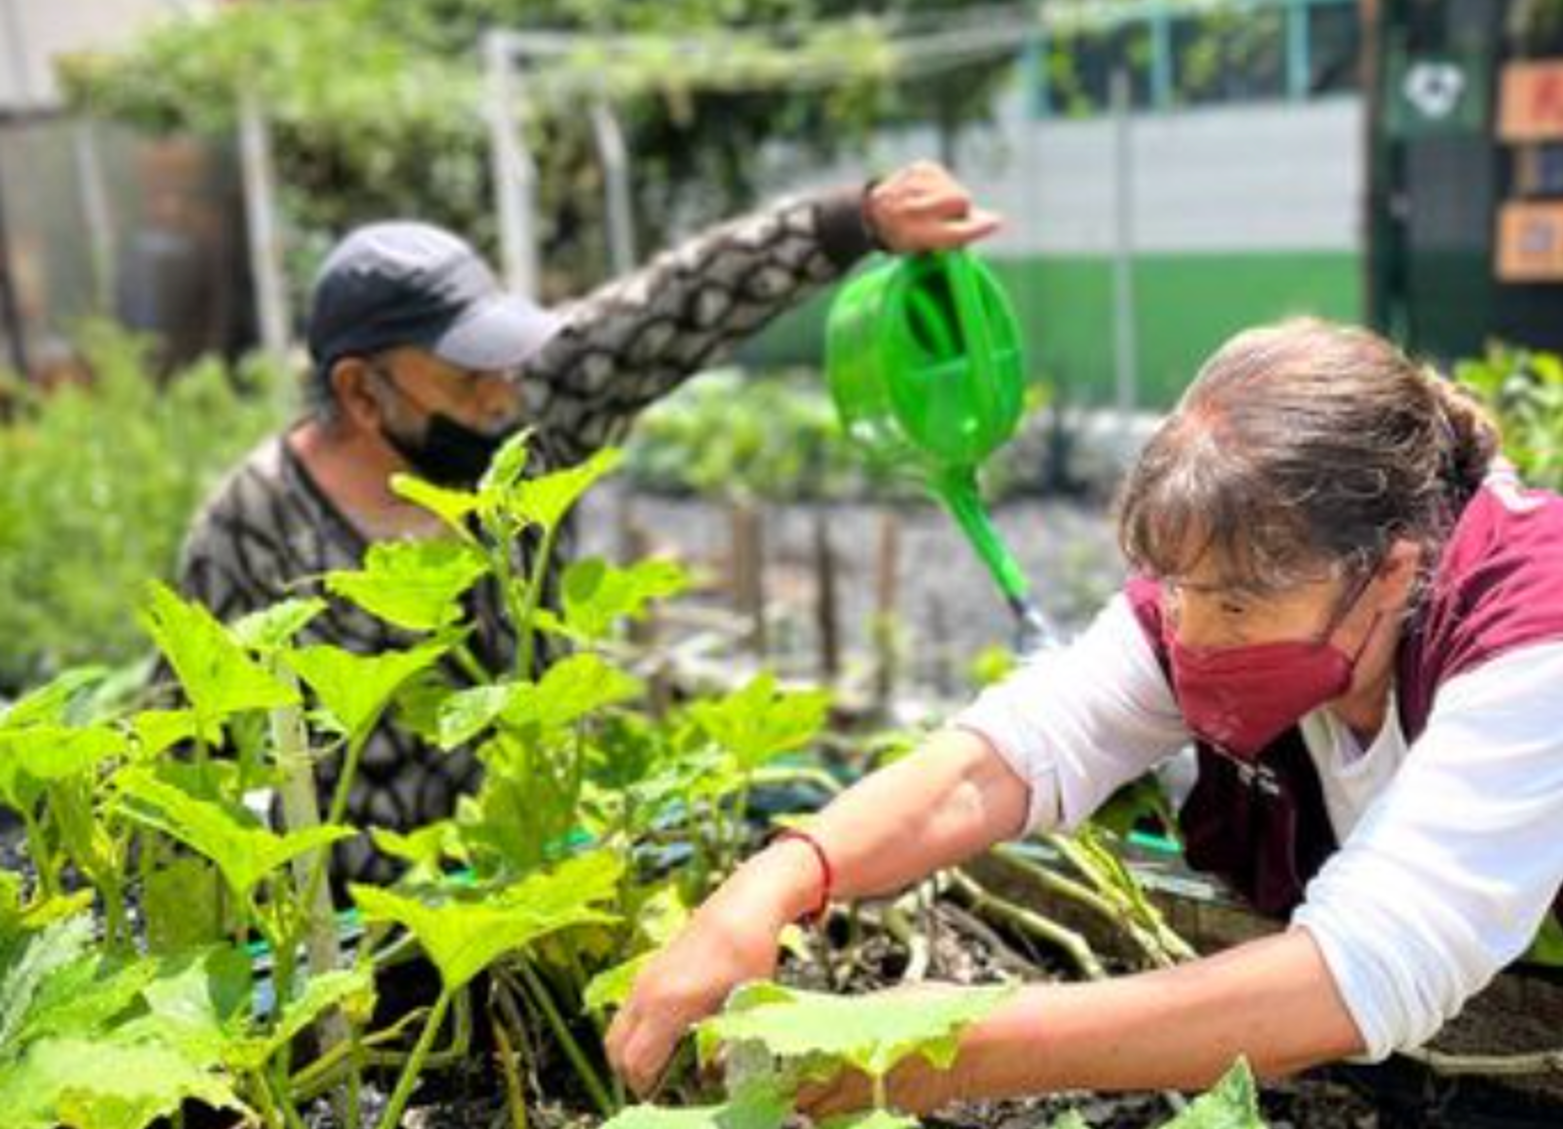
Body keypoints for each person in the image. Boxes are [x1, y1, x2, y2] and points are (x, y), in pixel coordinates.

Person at [605, 316, 1563, 1109]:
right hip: (1526, 1017)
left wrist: (924, 1048)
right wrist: (778, 880)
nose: (1188, 631)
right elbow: (1010, 758)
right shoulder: (1238, 588)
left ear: (1395, 566)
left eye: (1233, 603)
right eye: (1172, 589)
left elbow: (1360, 975)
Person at [174, 163, 996, 874]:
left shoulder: (535, 412)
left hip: (556, 870)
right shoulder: (251, 530)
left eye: (501, 362)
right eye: (465, 379)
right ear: (360, 391)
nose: (500, 395)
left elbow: (672, 308)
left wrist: (854, 222)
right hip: (370, 954)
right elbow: (187, 754)